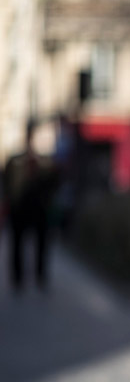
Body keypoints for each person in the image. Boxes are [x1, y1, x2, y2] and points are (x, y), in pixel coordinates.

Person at [2, 121, 58, 291]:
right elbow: (6, 183)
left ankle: (40, 277)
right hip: (19, 209)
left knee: (42, 246)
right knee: (17, 246)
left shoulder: (46, 162)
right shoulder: (15, 160)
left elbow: (54, 183)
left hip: (39, 210)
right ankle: (18, 279)